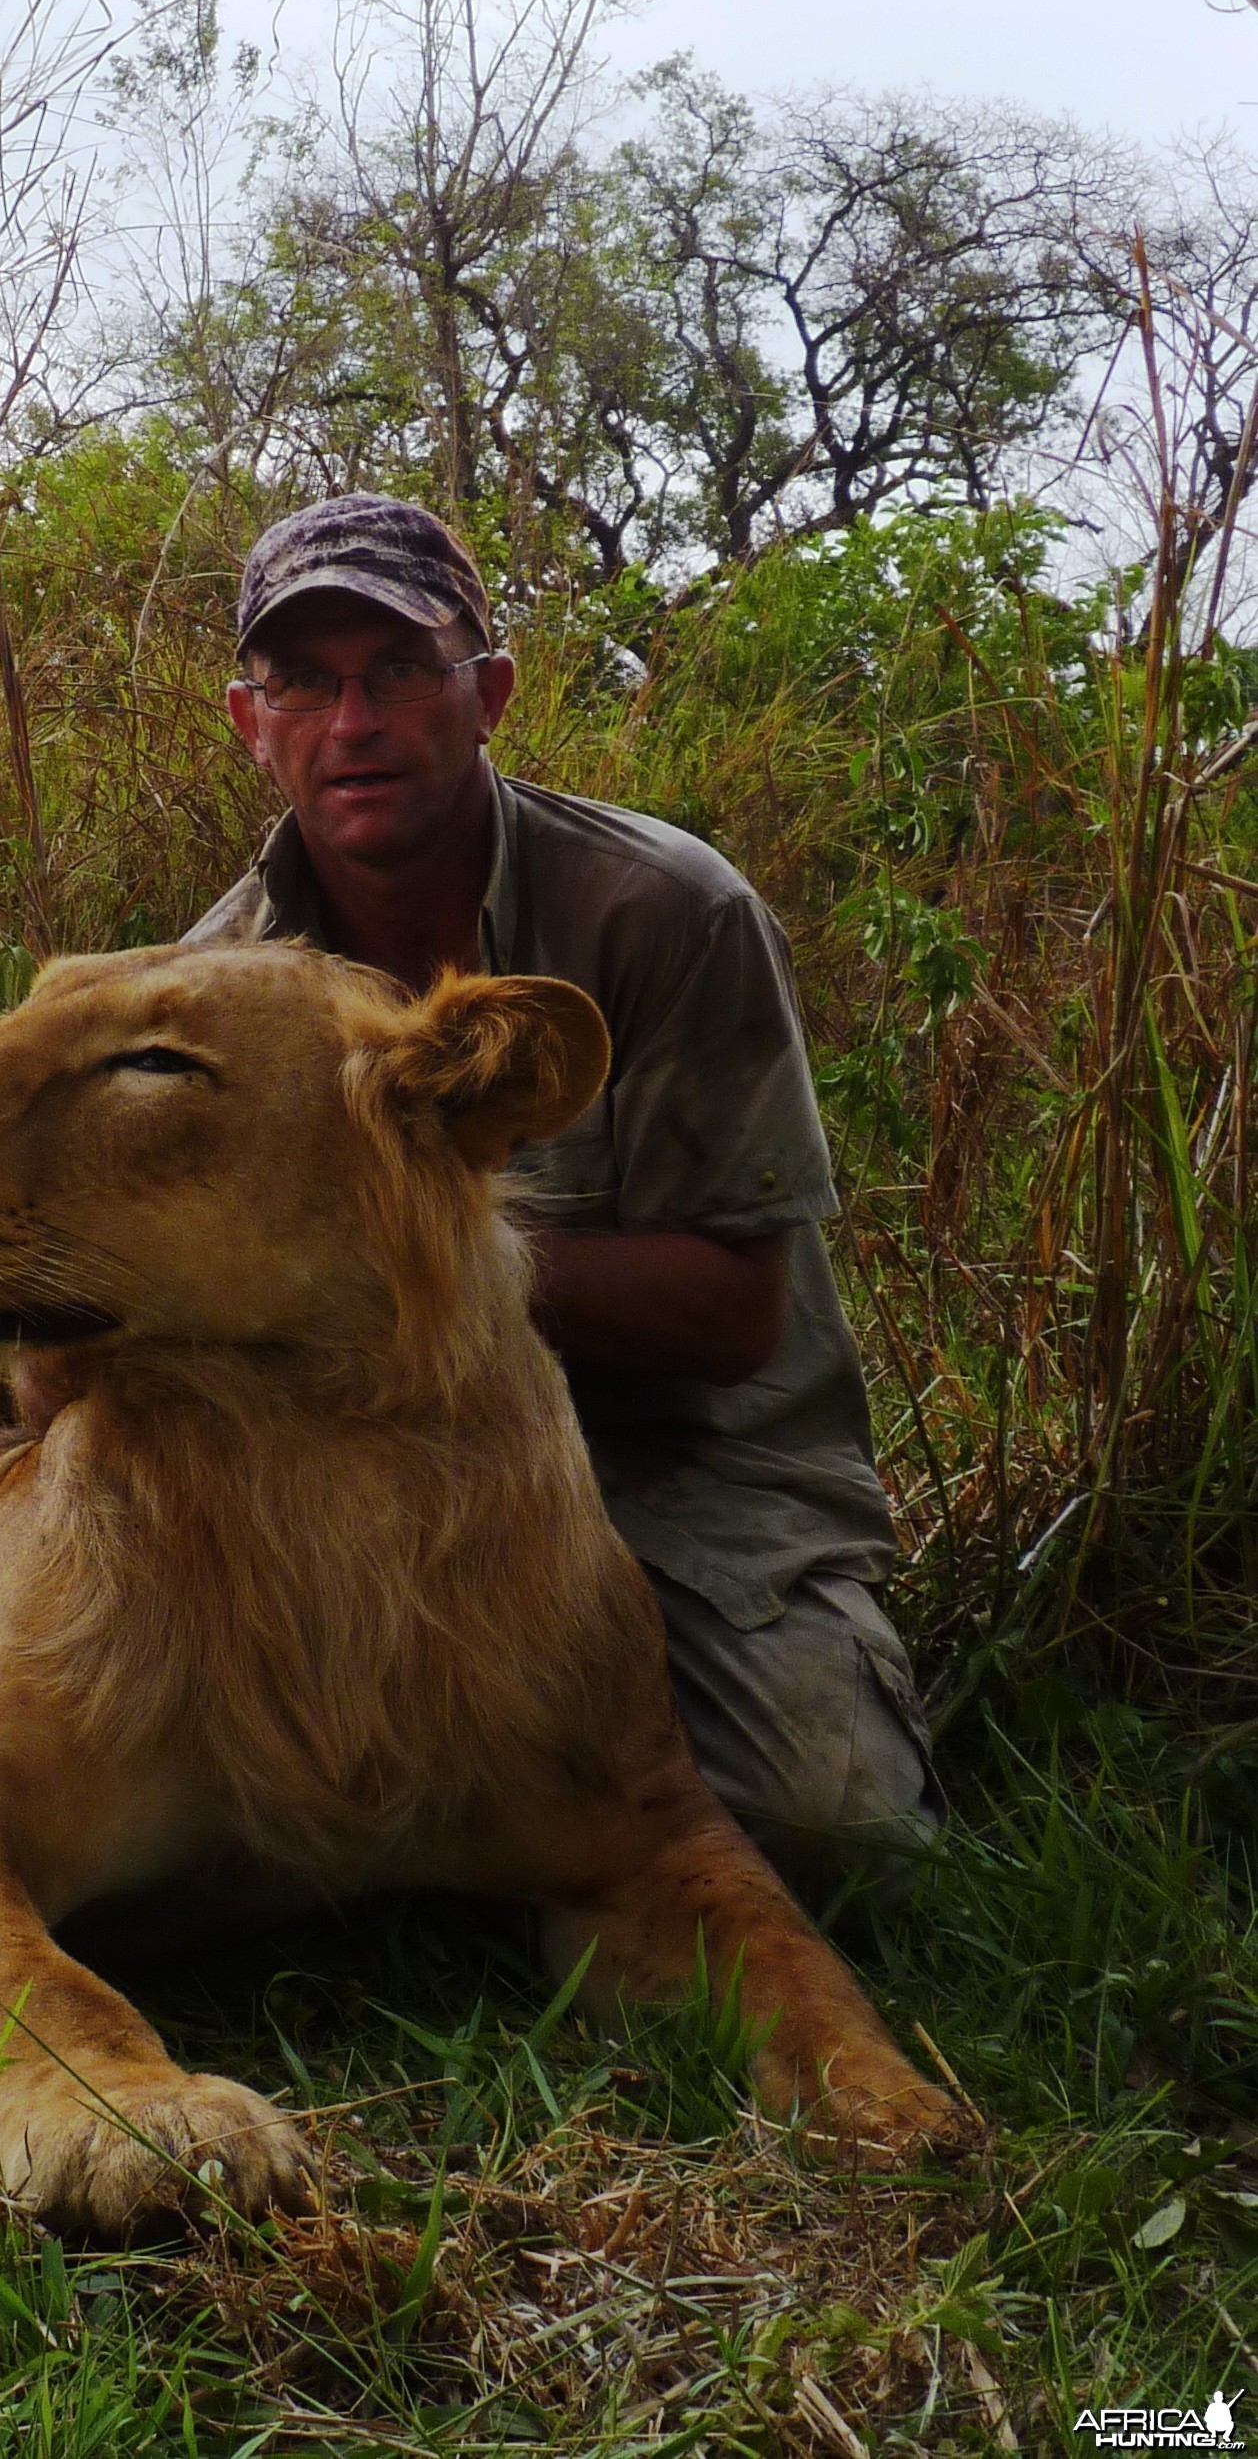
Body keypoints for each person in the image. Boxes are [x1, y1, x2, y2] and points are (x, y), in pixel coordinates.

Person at [186, 492, 938, 1904]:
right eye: (302, 681)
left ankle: (786, 1662)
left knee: (827, 1831)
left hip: (672, 1466)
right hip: (369, 1473)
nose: (352, 720)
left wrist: (405, 1263)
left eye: (400, 671)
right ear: (250, 719)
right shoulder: (212, 986)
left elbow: (730, 1316)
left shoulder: (660, 910)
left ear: (490, 694)